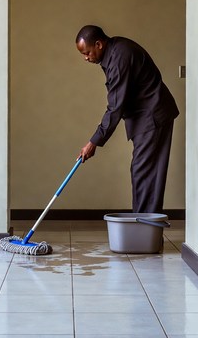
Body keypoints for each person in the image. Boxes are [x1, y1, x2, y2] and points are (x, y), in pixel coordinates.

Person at [76, 25, 179, 214]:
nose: (86, 58)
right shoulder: (114, 51)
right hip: (146, 117)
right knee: (143, 172)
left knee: (145, 173)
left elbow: (115, 106)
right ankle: (142, 228)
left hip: (152, 116)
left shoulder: (119, 58)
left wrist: (94, 142)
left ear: (98, 44)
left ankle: (143, 230)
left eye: (87, 52)